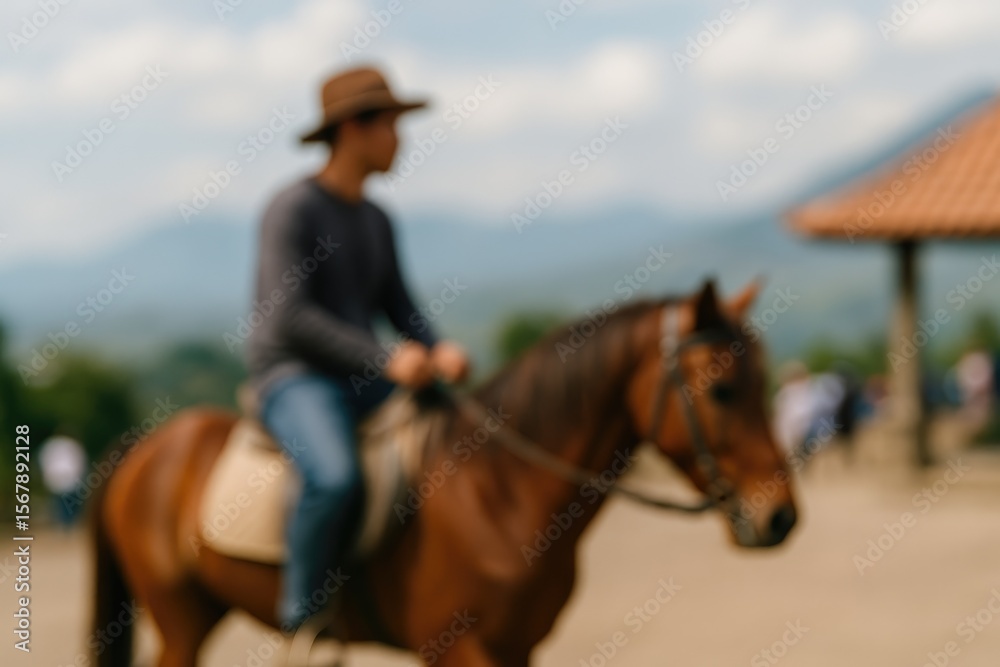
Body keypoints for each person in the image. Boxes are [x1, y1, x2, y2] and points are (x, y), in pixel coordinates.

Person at [244, 66, 470, 631]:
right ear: (352, 129)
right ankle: (303, 610)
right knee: (333, 476)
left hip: (364, 377)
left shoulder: (376, 219)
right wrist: (386, 359)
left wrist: (438, 349)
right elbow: (288, 316)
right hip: (294, 377)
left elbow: (400, 307)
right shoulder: (292, 209)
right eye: (392, 125)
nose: (401, 138)